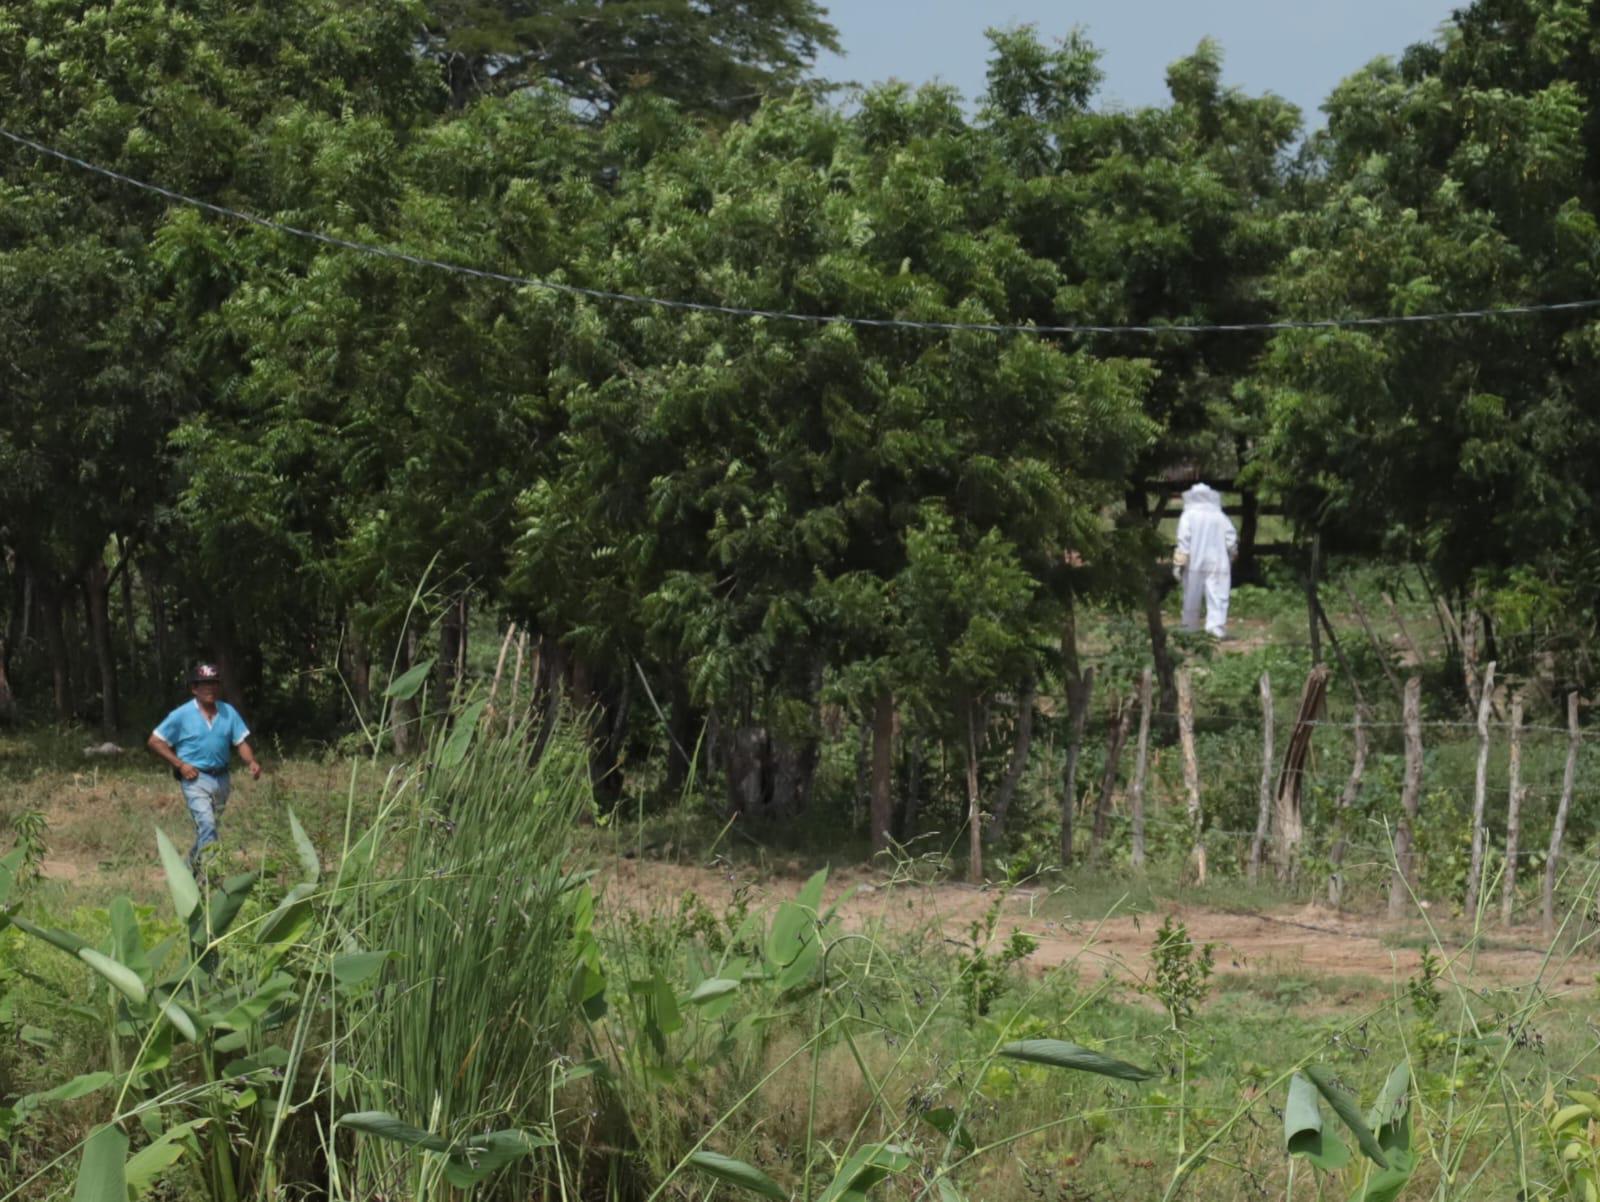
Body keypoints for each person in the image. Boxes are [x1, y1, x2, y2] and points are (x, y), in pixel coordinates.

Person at [148, 663, 262, 872]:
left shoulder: (228, 712)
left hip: (222, 778)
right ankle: (209, 877)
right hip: (195, 779)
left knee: (208, 830)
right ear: (194, 689)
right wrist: (180, 764)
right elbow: (155, 741)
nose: (210, 689)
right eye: (205, 685)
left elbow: (240, 742)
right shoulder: (181, 715)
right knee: (208, 826)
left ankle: (188, 869)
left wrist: (251, 762)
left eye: (214, 684)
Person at [1173, 483, 1239, 638]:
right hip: (1218, 562)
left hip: (1193, 563)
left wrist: (1179, 564)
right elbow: (1231, 538)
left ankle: (1189, 628)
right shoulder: (1220, 516)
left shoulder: (1188, 516)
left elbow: (1183, 541)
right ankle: (1216, 628)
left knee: (1191, 595)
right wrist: (1233, 553)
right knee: (1218, 595)